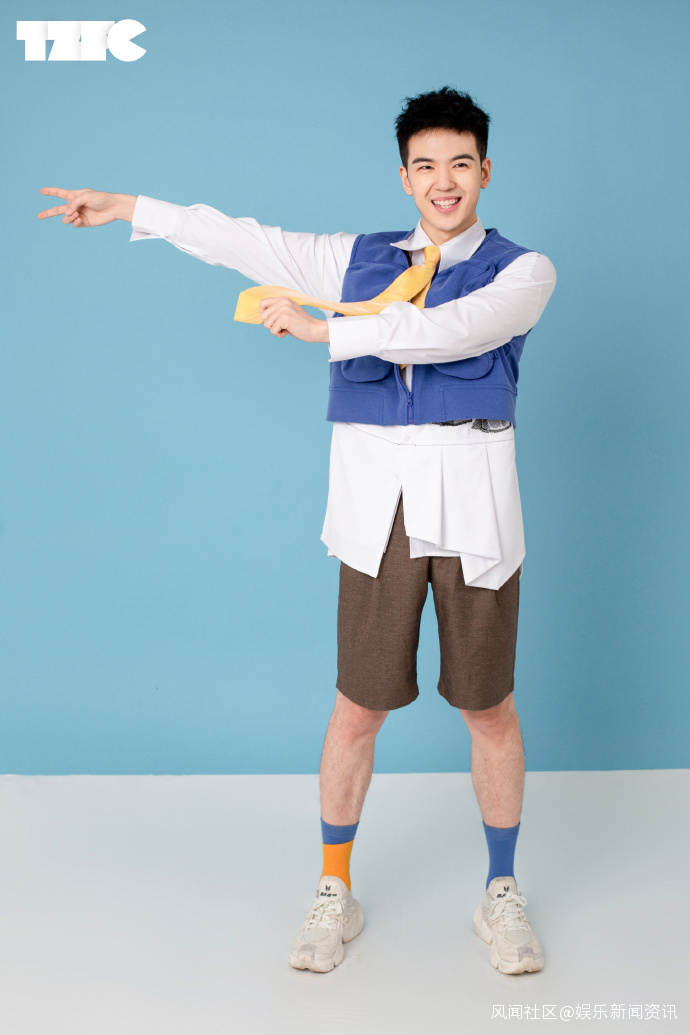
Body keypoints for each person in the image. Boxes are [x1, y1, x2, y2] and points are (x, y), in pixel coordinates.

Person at [38, 86, 556, 976]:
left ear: (485, 172)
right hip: (378, 513)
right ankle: (334, 888)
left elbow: (450, 332)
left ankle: (501, 890)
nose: (443, 181)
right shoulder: (356, 259)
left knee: (488, 706)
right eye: (425, 166)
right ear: (404, 177)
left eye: (459, 164)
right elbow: (245, 240)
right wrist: (129, 206)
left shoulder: (525, 271)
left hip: (472, 512)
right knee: (357, 705)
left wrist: (327, 332)